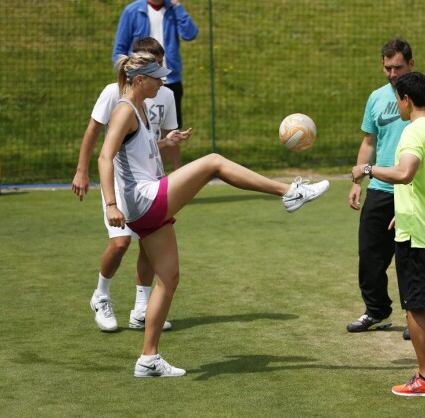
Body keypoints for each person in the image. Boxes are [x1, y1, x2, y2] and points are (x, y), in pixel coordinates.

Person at [99, 52, 330, 377]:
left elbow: (134, 149)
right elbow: (105, 157)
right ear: (139, 80)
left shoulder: (141, 108)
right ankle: (289, 193)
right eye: (157, 78)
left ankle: (148, 359)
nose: (163, 82)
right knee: (214, 162)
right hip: (143, 198)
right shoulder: (124, 109)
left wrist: (164, 143)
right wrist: (110, 203)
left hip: (147, 200)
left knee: (169, 279)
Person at [351, 71, 425, 397]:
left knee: (416, 307)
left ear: (406, 100)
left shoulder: (412, 131)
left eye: (399, 101)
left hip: (416, 234)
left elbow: (405, 173)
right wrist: (403, 211)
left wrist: (367, 170)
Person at [72, 37, 180, 332]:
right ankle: (101, 295)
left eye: (160, 64)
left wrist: (169, 151)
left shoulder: (163, 95)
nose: (160, 73)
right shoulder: (116, 94)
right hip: (122, 183)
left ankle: (141, 310)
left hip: (150, 180)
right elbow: (98, 136)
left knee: (149, 243)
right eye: (154, 66)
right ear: (140, 69)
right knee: (120, 243)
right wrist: (82, 171)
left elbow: (144, 143)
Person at [346, 38, 425, 340]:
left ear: (411, 65)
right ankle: (376, 311)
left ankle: (418, 315)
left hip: (414, 191)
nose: (392, 74)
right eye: (387, 67)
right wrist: (357, 182)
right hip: (380, 188)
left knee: (414, 259)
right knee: (370, 256)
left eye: (398, 67)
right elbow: (369, 141)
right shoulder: (376, 98)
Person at [113, 0, 199, 170]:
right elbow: (119, 49)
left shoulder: (173, 9)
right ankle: (138, 173)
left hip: (171, 79)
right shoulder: (133, 10)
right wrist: (128, 76)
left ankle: (173, 177)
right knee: (140, 129)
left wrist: (177, 6)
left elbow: (190, 33)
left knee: (170, 131)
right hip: (141, 81)